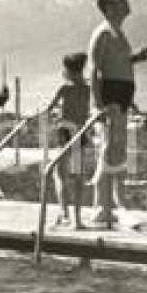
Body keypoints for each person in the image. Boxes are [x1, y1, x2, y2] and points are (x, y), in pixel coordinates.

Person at [85, 0, 147, 226]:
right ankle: (100, 207)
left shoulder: (117, 32)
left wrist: (135, 59)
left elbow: (116, 63)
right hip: (109, 97)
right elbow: (94, 69)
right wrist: (98, 103)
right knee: (108, 149)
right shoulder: (102, 33)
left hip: (121, 96)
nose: (125, 1)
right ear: (109, 7)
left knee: (116, 150)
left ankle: (110, 204)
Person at [41, 52, 93, 229]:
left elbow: (48, 108)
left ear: (68, 70)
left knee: (60, 174)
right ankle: (77, 219)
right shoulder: (88, 88)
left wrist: (55, 115)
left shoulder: (65, 88)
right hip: (80, 132)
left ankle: (64, 213)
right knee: (78, 176)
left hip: (65, 132)